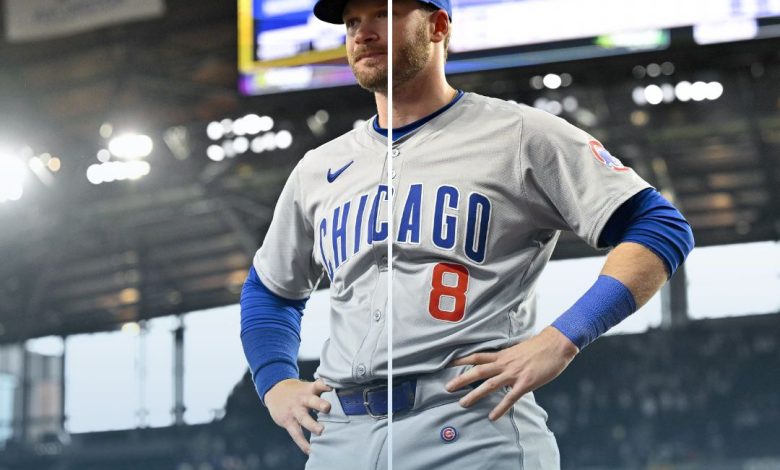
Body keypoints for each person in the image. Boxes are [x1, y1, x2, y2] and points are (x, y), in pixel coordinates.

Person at [240, 0, 695, 468]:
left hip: (468, 426)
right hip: (340, 436)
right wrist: (275, 381)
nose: (362, 33)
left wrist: (563, 338)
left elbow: (659, 225)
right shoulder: (318, 168)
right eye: (352, 21)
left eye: (384, 14)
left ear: (438, 26)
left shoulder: (517, 133)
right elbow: (269, 289)